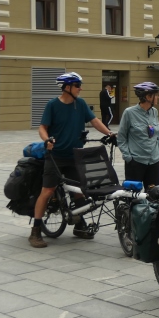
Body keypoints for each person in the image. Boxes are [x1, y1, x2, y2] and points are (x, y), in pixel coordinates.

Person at [31, 72, 113, 248]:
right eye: (77, 85)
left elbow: (95, 121)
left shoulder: (80, 104)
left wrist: (110, 134)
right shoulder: (52, 105)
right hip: (55, 157)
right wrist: (47, 140)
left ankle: (79, 224)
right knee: (47, 190)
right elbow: (42, 127)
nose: (80, 88)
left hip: (75, 155)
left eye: (79, 85)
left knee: (79, 191)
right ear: (67, 87)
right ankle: (36, 231)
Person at [117, 82, 159, 188]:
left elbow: (158, 135)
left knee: (154, 196)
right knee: (133, 197)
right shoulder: (129, 113)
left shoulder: (154, 112)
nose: (158, 97)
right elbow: (121, 137)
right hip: (136, 162)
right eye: (155, 95)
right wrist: (128, 157)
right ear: (148, 97)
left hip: (154, 161)